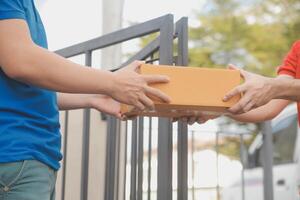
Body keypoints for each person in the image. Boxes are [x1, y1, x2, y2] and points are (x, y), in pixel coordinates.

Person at [0, 0, 171, 199]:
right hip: (14, 156)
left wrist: (95, 97)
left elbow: (27, 87)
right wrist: (112, 82)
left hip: (26, 159)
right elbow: (21, 61)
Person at [196, 40, 300, 124]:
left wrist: (272, 87)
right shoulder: (297, 48)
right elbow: (270, 108)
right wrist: (221, 107)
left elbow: (278, 88)